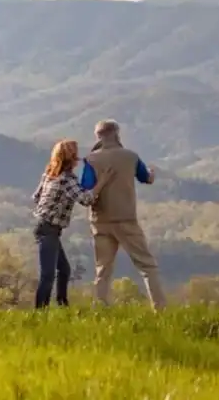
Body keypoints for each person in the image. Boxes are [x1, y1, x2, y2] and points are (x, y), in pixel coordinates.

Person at [84, 119, 167, 310]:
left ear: (97, 136)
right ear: (117, 133)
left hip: (100, 220)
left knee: (102, 268)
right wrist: (152, 173)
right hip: (126, 219)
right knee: (147, 265)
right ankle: (159, 308)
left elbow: (86, 188)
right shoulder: (130, 156)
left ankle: (100, 307)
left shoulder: (91, 159)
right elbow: (146, 178)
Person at [32, 139, 96, 309]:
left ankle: (62, 305)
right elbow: (85, 199)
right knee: (48, 274)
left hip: (44, 225)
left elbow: (36, 197)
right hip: (50, 229)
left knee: (64, 270)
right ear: (71, 158)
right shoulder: (68, 179)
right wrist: (101, 184)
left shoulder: (49, 175)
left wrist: (50, 205)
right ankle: (40, 311)